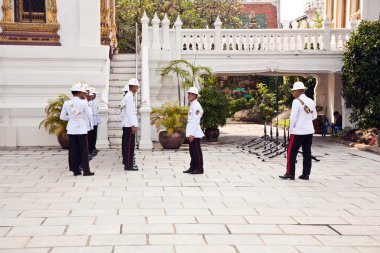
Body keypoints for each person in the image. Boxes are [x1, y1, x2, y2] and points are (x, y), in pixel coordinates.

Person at [279, 81, 317, 180]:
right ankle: (306, 174)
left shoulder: (296, 101)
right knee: (307, 153)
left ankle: (290, 173)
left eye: (293, 91)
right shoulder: (311, 101)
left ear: (298, 91)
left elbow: (293, 118)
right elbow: (314, 116)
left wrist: (291, 130)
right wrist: (306, 121)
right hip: (309, 131)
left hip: (298, 131)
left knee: (291, 152)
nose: (292, 93)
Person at [60, 82, 95, 176]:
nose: (84, 94)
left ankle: (75, 170)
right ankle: (86, 171)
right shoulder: (83, 103)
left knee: (73, 150)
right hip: (81, 129)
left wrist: (72, 118)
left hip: (71, 129)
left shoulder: (67, 103)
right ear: (80, 93)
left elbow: (62, 117)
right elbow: (90, 115)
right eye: (83, 93)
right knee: (84, 150)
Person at [183, 87, 205, 175]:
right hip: (191, 131)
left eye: (190, 94)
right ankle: (192, 167)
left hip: (195, 133)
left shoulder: (196, 106)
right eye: (188, 94)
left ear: (195, 95)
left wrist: (191, 134)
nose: (188, 95)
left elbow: (195, 121)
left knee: (196, 151)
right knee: (192, 151)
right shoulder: (193, 104)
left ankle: (199, 168)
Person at [121, 78, 139, 171]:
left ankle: (128, 163)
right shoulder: (129, 96)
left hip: (128, 124)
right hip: (129, 125)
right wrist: (133, 125)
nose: (137, 89)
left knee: (129, 145)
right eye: (136, 87)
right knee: (129, 146)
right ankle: (128, 165)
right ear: (132, 87)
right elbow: (129, 112)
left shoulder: (129, 95)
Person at [89, 87, 100, 156]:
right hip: (91, 121)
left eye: (94, 94)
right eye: (92, 94)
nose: (94, 95)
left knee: (94, 135)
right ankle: (91, 149)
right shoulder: (89, 102)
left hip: (95, 120)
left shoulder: (94, 102)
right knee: (91, 136)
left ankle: (93, 147)